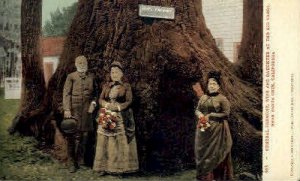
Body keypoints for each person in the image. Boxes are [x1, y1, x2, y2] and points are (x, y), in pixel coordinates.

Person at [93, 61, 139, 176]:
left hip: (120, 116)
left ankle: (119, 169)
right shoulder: (106, 85)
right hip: (107, 113)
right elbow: (100, 99)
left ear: (121, 73)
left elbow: (129, 101)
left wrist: (118, 107)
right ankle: (103, 167)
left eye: (117, 72)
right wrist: (107, 105)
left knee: (118, 142)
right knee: (104, 141)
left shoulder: (126, 86)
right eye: (112, 72)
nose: (114, 74)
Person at [194, 71, 233, 181]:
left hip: (218, 131)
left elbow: (226, 113)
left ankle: (217, 177)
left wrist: (211, 115)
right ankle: (205, 177)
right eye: (210, 84)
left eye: (214, 84)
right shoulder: (203, 98)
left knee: (215, 153)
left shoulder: (222, 99)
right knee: (203, 153)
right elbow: (197, 109)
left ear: (219, 86)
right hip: (204, 129)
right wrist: (200, 115)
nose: (211, 86)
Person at [62, 55, 98, 173]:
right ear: (76, 64)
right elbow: (66, 94)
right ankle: (71, 161)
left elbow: (96, 94)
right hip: (74, 110)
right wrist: (67, 109)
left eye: (84, 62)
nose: (82, 64)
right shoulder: (71, 76)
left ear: (87, 64)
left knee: (85, 135)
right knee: (73, 135)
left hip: (87, 111)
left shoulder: (92, 77)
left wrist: (93, 103)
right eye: (80, 63)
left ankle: (80, 159)